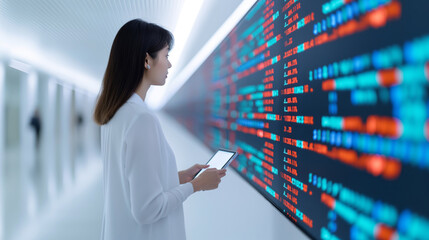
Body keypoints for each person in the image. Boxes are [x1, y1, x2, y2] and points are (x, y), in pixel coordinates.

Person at [93, 19, 227, 240]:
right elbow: (147, 210)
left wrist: (180, 177)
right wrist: (196, 186)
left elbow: (133, 185)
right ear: (147, 60)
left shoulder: (114, 113)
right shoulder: (142, 119)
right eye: (166, 56)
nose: (169, 65)